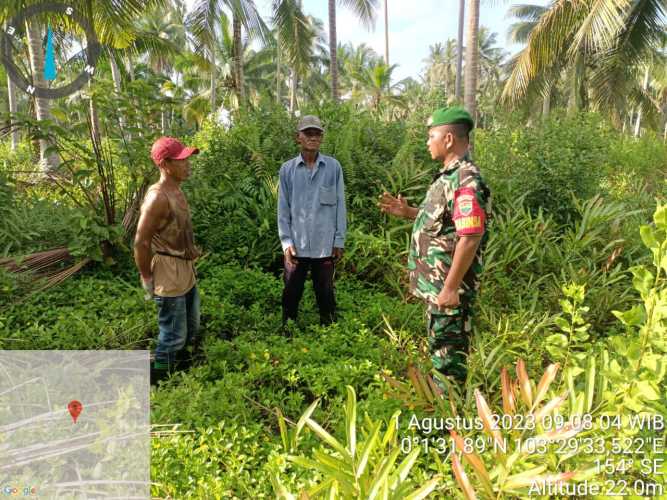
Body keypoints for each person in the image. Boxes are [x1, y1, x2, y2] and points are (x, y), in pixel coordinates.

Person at [379, 107, 491, 383]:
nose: (427, 142)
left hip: (449, 291)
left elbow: (471, 234)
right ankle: (444, 411)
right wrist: (408, 213)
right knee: (440, 352)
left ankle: (448, 421)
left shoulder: (465, 179)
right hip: (439, 288)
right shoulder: (448, 177)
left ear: (449, 139)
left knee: (448, 364)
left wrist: (451, 288)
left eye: (432, 136)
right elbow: (448, 223)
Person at [134, 136, 201, 382]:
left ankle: (179, 372)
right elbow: (141, 241)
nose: (188, 163)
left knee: (191, 327)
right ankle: (158, 379)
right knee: (172, 335)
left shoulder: (177, 190)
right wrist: (146, 277)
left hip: (185, 268)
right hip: (168, 270)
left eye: (187, 158)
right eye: (181, 160)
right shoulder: (158, 197)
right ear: (165, 164)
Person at [277, 115, 347, 328]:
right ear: (298, 137)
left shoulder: (333, 168)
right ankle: (288, 328)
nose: (313, 137)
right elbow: (283, 208)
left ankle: (329, 330)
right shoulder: (287, 170)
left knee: (325, 291)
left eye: (317, 133)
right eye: (308, 133)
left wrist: (339, 240)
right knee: (291, 290)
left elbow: (340, 205)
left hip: (324, 244)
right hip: (296, 245)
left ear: (322, 138)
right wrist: (286, 242)